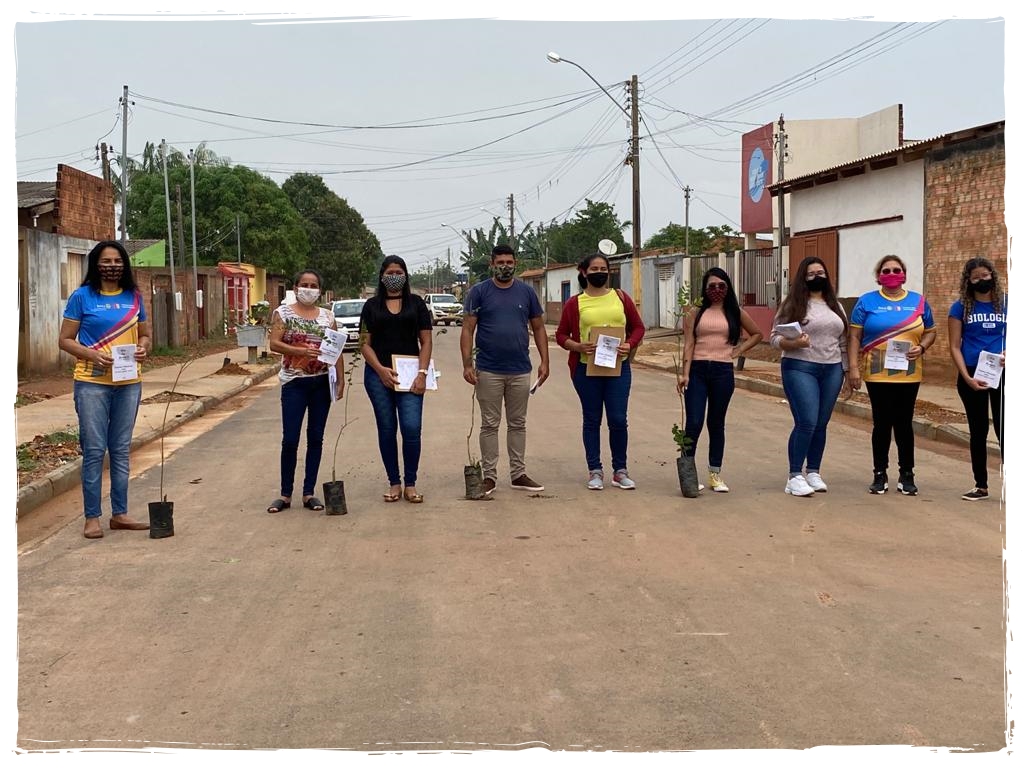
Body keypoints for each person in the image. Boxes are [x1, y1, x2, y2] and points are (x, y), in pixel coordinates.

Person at [58, 240, 152, 539]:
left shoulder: (134, 297)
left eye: (117, 261)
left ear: (124, 264)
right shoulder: (82, 297)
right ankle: (92, 517)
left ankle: (120, 514)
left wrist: (143, 348)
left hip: (128, 384)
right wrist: (91, 354)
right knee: (95, 450)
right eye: (106, 261)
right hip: (91, 384)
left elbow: (147, 334)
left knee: (121, 450)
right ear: (95, 264)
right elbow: (65, 340)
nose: (112, 266)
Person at [461, 244, 550, 495]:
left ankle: (518, 474)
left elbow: (540, 328)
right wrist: (468, 363)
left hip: (521, 369)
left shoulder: (526, 293)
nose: (505, 266)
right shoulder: (479, 292)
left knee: (518, 423)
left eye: (509, 262)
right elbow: (468, 329)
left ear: (515, 264)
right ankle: (489, 476)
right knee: (489, 424)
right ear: (492, 264)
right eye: (500, 262)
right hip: (488, 369)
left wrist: (545, 360)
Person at [848, 255, 936, 495]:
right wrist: (853, 368)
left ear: (904, 274)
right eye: (886, 270)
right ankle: (880, 474)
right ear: (878, 276)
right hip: (877, 373)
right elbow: (854, 337)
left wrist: (923, 347)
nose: (891, 273)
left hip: (908, 373)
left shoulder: (918, 302)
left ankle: (907, 474)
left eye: (896, 269)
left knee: (904, 424)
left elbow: (931, 331)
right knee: (882, 423)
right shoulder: (866, 302)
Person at [555, 253, 645, 491]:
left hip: (618, 369)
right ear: (584, 272)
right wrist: (577, 346)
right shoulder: (575, 303)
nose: (599, 272)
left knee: (617, 419)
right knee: (592, 419)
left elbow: (638, 327)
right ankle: (595, 470)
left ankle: (620, 471)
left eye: (603, 268)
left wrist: (630, 344)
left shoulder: (621, 297)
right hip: (586, 369)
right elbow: (561, 335)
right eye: (594, 268)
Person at [676, 267, 763, 493]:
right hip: (697, 370)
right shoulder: (694, 312)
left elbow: (757, 334)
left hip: (723, 372)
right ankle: (689, 475)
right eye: (712, 286)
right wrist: (684, 373)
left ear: (728, 287)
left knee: (716, 423)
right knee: (693, 423)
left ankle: (715, 473)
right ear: (704, 289)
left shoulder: (735, 312)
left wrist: (738, 350)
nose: (716, 290)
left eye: (721, 286)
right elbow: (688, 343)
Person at [769, 257, 851, 497]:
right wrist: (792, 342)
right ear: (802, 278)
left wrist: (847, 371)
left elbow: (843, 341)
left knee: (821, 423)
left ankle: (813, 471)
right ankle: (794, 475)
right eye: (811, 273)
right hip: (800, 366)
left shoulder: (835, 305)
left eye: (821, 272)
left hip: (832, 369)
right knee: (807, 421)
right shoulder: (792, 304)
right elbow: (774, 337)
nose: (817, 276)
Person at [266, 269, 343, 513]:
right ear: (296, 287)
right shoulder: (283, 313)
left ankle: (309, 492)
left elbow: (335, 348)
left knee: (316, 438)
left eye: (313, 285)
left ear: (320, 290)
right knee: (290, 439)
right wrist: (299, 352)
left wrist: (340, 379)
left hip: (320, 383)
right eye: (304, 284)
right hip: (294, 383)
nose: (308, 288)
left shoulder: (328, 316)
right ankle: (285, 493)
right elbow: (274, 343)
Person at [360, 256, 433, 504]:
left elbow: (426, 341)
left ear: (405, 275)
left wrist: (422, 374)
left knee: (412, 428)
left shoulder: (417, 304)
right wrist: (380, 369)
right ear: (382, 276)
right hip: (377, 375)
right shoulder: (370, 306)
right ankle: (394, 482)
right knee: (387, 428)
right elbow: (363, 344)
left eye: (399, 271)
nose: (394, 275)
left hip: (410, 374)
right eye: (390, 271)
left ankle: (410, 483)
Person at [948, 257, 1006, 501]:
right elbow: (954, 346)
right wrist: (967, 378)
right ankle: (980, 485)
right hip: (973, 373)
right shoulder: (960, 307)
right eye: (976, 278)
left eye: (985, 276)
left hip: (1003, 373)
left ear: (992, 275)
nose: (982, 281)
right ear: (968, 282)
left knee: (1007, 429)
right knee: (978, 430)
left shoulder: (1007, 304)